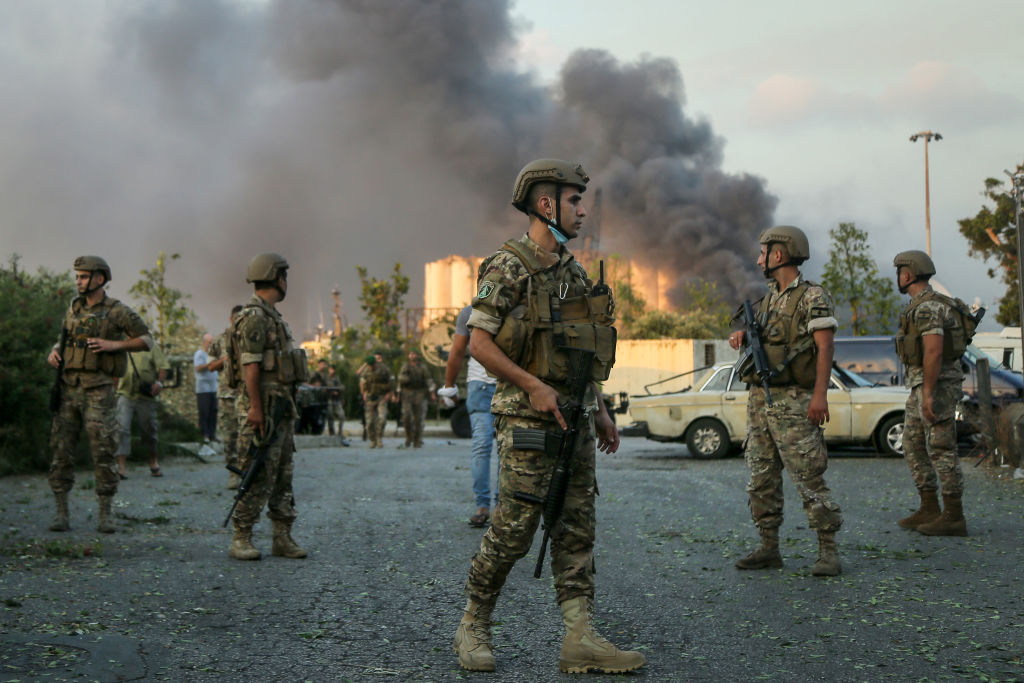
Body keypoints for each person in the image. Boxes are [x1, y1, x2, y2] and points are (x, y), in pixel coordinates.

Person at [453, 159, 644, 674]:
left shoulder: (574, 273)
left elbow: (582, 356)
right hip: (527, 422)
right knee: (513, 530)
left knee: (576, 528)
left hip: (574, 420)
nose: (583, 210)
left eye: (582, 200)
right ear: (546, 204)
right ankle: (473, 623)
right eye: (574, 200)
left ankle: (579, 636)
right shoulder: (507, 266)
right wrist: (533, 385)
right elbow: (479, 343)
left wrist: (600, 409)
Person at [728, 225, 843, 577]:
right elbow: (761, 336)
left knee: (808, 475)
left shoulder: (812, 297)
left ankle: (828, 550)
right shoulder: (767, 300)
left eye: (763, 253)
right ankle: (768, 547)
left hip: (795, 400)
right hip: (761, 399)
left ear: (779, 255)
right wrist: (742, 334)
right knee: (761, 476)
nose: (758, 258)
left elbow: (825, 346)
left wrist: (820, 395)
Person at [47, 255, 153, 534]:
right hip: (68, 388)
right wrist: (55, 351)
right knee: (60, 451)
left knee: (103, 450)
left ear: (100, 278)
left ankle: (105, 515)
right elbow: (66, 337)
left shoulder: (117, 311)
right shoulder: (74, 308)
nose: (78, 281)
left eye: (84, 276)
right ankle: (61, 513)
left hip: (99, 390)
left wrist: (112, 344)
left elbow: (146, 340)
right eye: (77, 276)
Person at [226, 253, 307, 561]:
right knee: (257, 471)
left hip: (282, 408)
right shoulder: (254, 317)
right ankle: (241, 536)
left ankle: (281, 536)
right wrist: (256, 409)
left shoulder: (272, 316)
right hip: (263, 409)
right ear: (276, 278)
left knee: (283, 473)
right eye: (284, 276)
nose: (287, 282)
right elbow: (251, 367)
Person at [892, 250, 972, 536]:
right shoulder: (921, 304)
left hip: (936, 385)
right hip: (921, 384)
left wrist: (928, 393)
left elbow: (934, 350)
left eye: (900, 271)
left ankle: (953, 515)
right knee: (912, 443)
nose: (898, 276)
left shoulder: (928, 307)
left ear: (908, 274)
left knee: (941, 447)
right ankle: (929, 506)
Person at [439, 303, 497, 527]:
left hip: (510, 385)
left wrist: (449, 387)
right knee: (486, 445)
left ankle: (498, 507)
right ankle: (484, 506)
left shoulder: (519, 305)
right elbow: (458, 350)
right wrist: (449, 385)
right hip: (482, 387)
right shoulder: (470, 312)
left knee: (502, 447)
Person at [115, 345, 170, 478]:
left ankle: (153, 462)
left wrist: (159, 383)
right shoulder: (120, 345)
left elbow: (163, 366)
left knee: (149, 430)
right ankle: (121, 467)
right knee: (122, 428)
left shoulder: (150, 346)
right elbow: (113, 369)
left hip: (145, 395)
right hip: (125, 393)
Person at [208, 305, 244, 489]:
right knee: (230, 436)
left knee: (248, 436)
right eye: (237, 319)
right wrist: (225, 360)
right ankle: (233, 474)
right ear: (231, 319)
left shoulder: (250, 338)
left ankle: (248, 472)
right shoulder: (220, 340)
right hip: (227, 396)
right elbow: (210, 366)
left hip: (247, 396)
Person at [398, 350, 433, 448]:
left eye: (414, 353)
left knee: (418, 419)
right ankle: (409, 437)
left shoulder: (423, 367)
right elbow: (400, 380)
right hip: (407, 394)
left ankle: (417, 440)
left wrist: (432, 393)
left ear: (417, 355)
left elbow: (428, 380)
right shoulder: (405, 367)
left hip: (419, 394)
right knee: (406, 417)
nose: (412, 355)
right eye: (410, 353)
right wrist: (397, 394)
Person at [359, 352, 393, 449]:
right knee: (369, 422)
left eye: (372, 365)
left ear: (375, 363)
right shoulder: (366, 371)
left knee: (382, 419)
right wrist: (363, 394)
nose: (371, 367)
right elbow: (362, 382)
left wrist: (389, 395)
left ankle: (379, 438)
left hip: (381, 397)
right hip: (370, 397)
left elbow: (391, 383)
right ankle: (372, 440)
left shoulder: (384, 370)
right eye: (369, 365)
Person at [194, 333, 218, 450]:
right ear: (204, 342)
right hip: (203, 389)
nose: (211, 345)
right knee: (204, 412)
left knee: (213, 411)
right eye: (209, 342)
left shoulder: (213, 355)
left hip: (213, 387)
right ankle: (204, 435)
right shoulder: (199, 354)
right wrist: (210, 364)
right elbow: (198, 368)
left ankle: (212, 434)